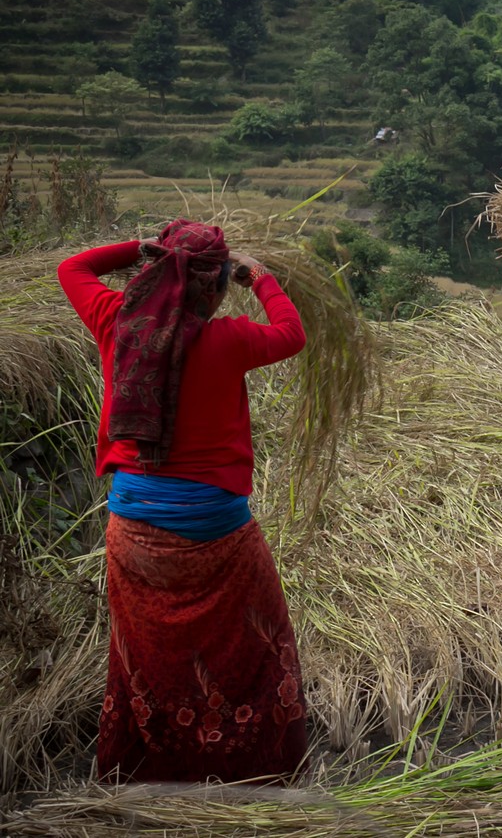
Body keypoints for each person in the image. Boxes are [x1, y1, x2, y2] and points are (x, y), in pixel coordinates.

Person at [57, 220, 308, 783]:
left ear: (154, 273)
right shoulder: (231, 339)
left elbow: (71, 268)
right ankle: (255, 772)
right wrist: (260, 277)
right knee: (259, 647)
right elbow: (292, 333)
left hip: (135, 527)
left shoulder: (114, 323)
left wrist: (143, 248)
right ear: (217, 286)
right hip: (219, 529)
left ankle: (147, 770)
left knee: (143, 656)